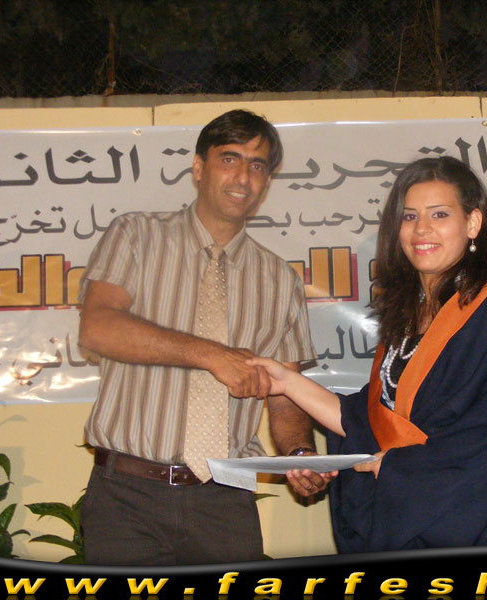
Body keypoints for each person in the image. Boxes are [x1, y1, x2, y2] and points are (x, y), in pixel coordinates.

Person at [251, 156, 487, 552]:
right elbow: (368, 420)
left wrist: (397, 468)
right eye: (409, 217)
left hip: (478, 526)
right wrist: (285, 381)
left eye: (439, 214)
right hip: (406, 520)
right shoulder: (408, 317)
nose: (421, 229)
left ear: (473, 223)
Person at [77, 109, 332, 565]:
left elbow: (284, 395)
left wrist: (298, 452)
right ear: (199, 168)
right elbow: (98, 327)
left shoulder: (280, 279)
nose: (243, 177)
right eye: (229, 159)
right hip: (126, 497)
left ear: (267, 181)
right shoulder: (135, 236)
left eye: (257, 165)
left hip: (225, 501)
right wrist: (213, 355)